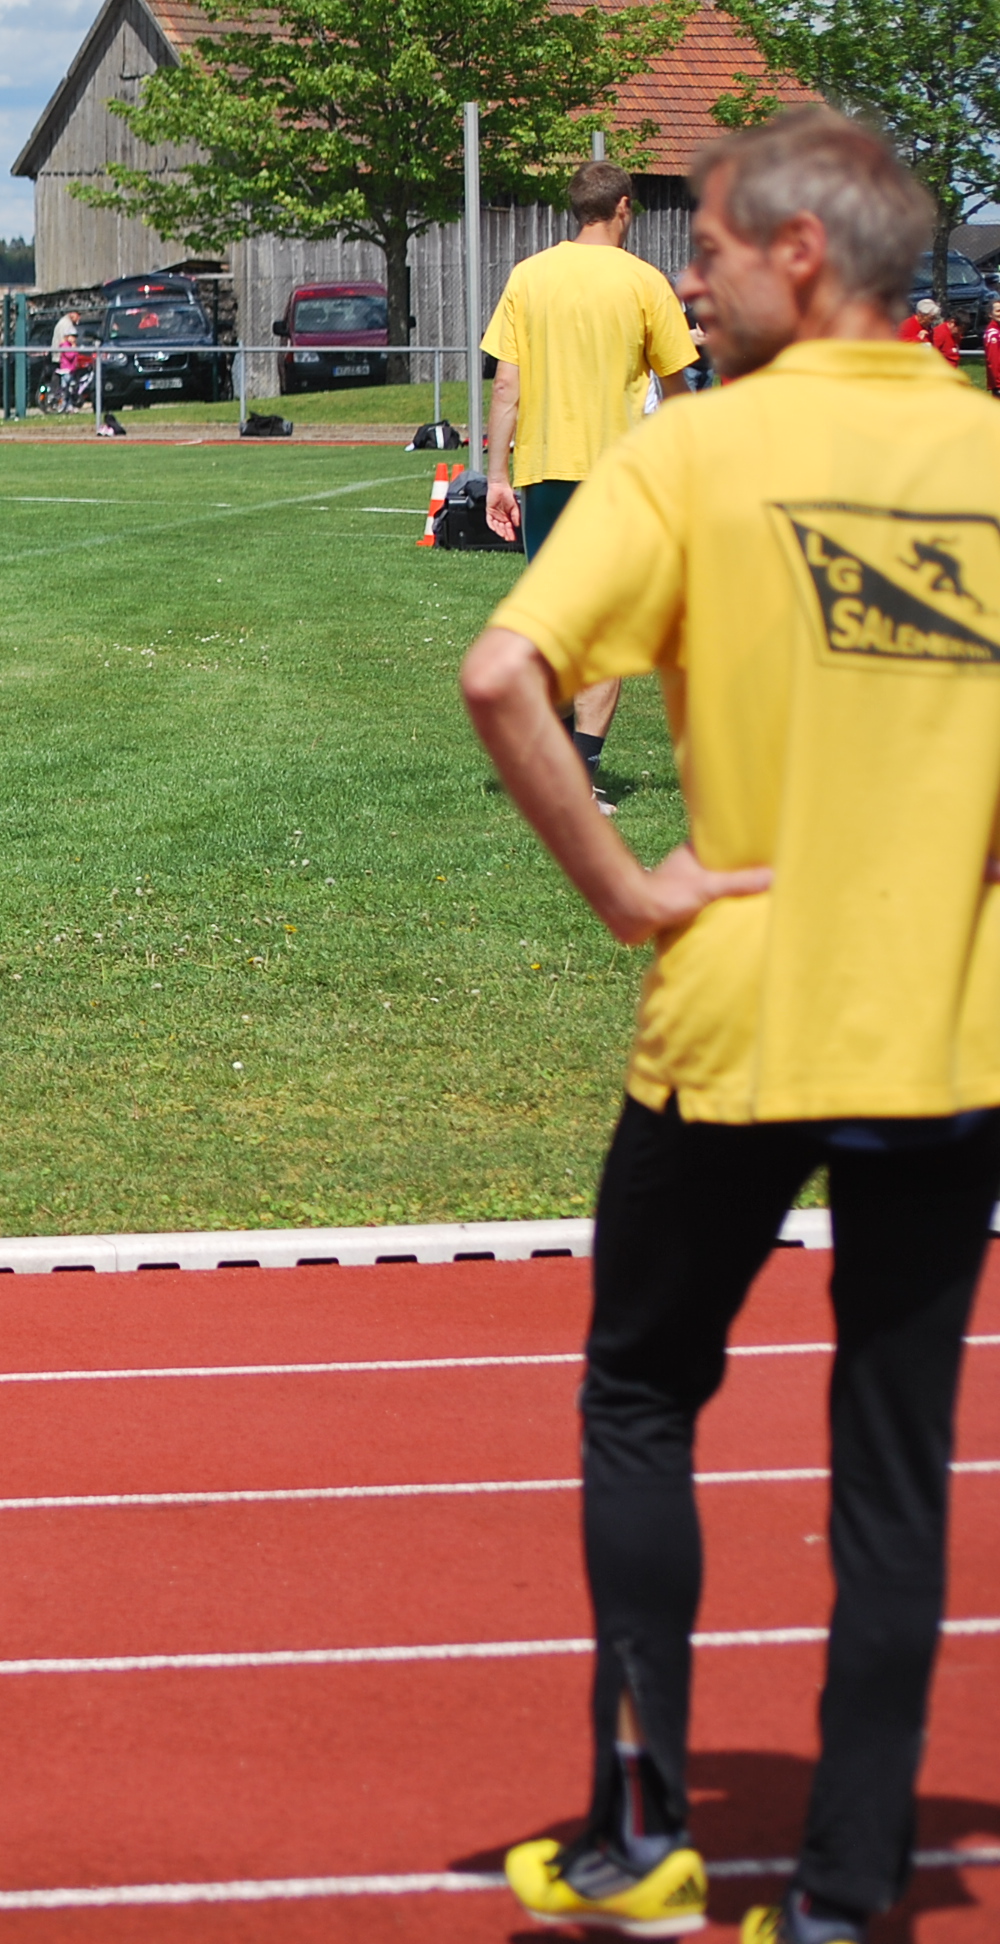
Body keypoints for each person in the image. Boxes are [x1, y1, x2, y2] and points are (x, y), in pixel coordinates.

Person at [459, 108, 999, 1944]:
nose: (683, 284)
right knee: (895, 1462)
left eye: (705, 250)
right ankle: (845, 1898)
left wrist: (625, 889)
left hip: (739, 1016)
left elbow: (503, 669)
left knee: (638, 1395)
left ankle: (642, 1839)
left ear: (801, 255)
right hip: (948, 1030)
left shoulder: (699, 451)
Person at [481, 160, 701, 811]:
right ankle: (578, 769)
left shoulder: (529, 276)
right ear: (623, 207)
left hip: (545, 471)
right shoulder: (644, 281)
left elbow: (506, 384)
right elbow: (678, 390)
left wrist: (496, 476)